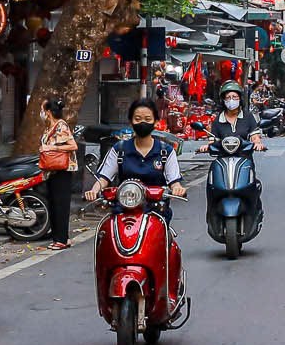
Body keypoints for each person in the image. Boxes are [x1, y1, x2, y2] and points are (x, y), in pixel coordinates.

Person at [86, 98, 189, 206]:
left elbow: (174, 182)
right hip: (123, 208)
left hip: (156, 210)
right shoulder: (119, 149)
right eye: (138, 119)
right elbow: (104, 178)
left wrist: (177, 188)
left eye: (148, 119)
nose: (142, 123)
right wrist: (94, 190)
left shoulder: (166, 151)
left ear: (156, 122)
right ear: (131, 122)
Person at [37, 96, 79, 250]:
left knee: (60, 205)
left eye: (43, 109)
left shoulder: (61, 126)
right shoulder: (50, 127)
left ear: (48, 112)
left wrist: (52, 148)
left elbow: (73, 145)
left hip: (62, 171)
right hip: (51, 171)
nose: (41, 113)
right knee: (54, 203)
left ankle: (61, 239)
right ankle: (60, 238)